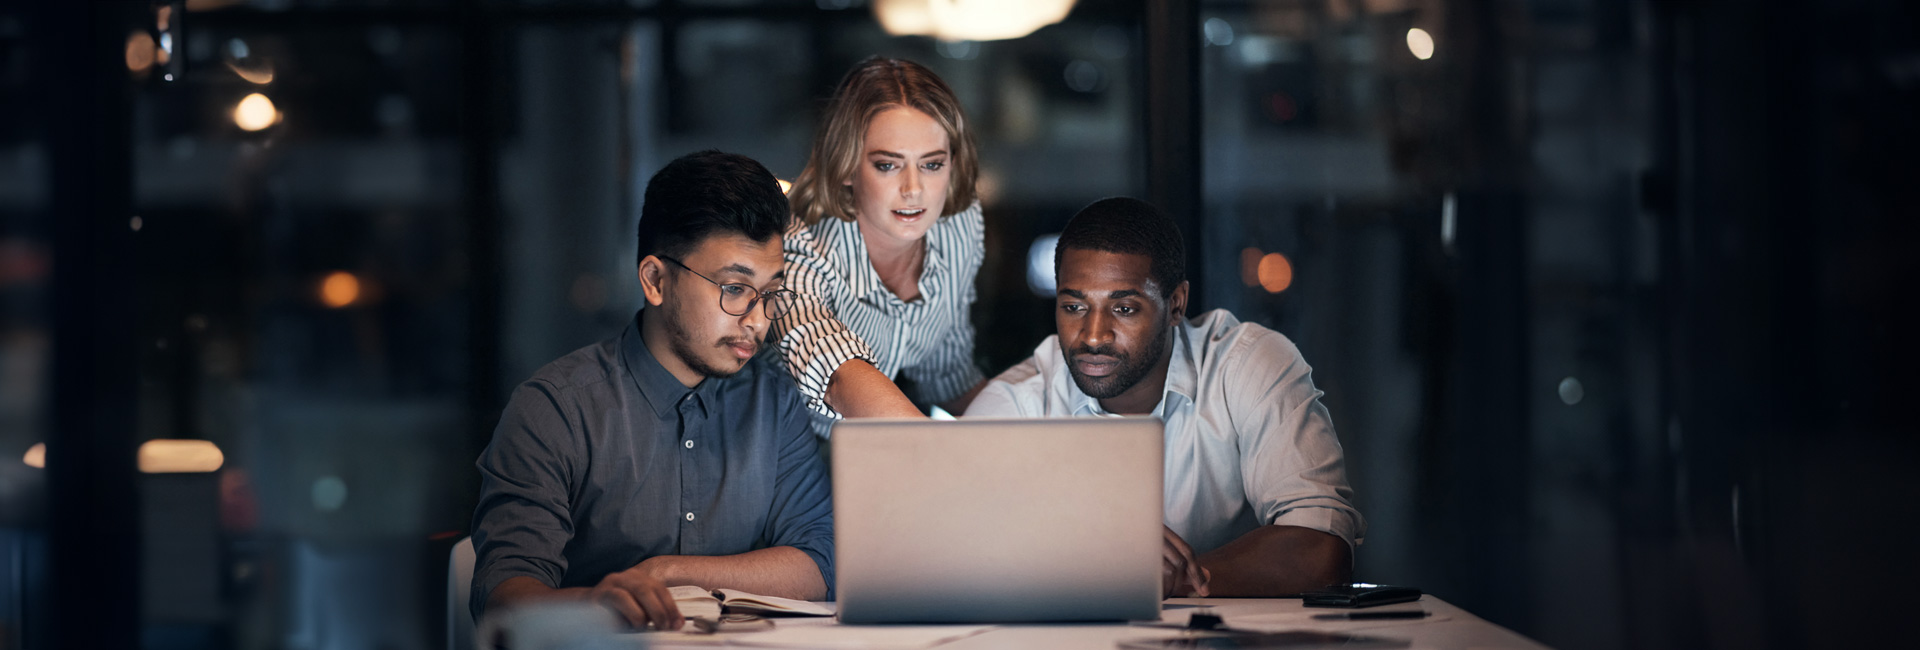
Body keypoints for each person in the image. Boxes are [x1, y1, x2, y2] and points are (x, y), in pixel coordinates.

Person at [469, 151, 832, 631]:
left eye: (770, 293)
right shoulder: (556, 409)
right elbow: (504, 597)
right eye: (734, 288)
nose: (758, 319)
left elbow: (818, 562)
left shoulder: (775, 402)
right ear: (656, 280)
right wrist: (602, 603)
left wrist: (668, 573)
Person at [965, 197, 1364, 598]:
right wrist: (1102, 565)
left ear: (1175, 305)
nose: (1092, 335)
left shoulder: (1247, 367)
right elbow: (953, 554)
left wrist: (1160, 579)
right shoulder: (1016, 404)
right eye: (1074, 306)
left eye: (1123, 308)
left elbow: (1322, 551)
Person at [776, 57, 987, 434]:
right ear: (845, 166)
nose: (913, 189)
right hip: (779, 461)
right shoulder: (798, 250)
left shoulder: (957, 225)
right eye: (888, 165)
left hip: (879, 451)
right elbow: (837, 377)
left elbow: (946, 375)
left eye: (932, 165)